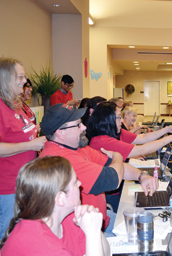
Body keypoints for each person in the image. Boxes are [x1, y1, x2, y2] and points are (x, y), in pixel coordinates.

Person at [39, 103, 158, 236]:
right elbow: (113, 179)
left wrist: (142, 176)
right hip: (84, 232)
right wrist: (118, 156)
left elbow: (111, 164)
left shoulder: (78, 147)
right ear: (60, 133)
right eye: (78, 125)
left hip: (100, 219)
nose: (84, 127)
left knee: (145, 226)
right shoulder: (61, 159)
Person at [0, 156, 110, 256]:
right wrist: (92, 233)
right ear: (60, 198)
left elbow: (106, 252)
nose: (80, 183)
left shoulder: (68, 217)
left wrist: (93, 228)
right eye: (75, 182)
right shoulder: (44, 247)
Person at [0, 58, 46, 240]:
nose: (24, 81)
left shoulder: (17, 105)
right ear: (5, 79)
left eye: (24, 76)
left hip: (25, 181)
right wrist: (30, 145)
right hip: (9, 185)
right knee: (7, 236)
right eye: (19, 77)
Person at [87, 102, 172, 162]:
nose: (121, 120)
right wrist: (170, 138)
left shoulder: (116, 132)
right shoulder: (103, 141)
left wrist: (167, 130)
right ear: (107, 120)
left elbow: (143, 138)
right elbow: (142, 150)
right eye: (118, 117)